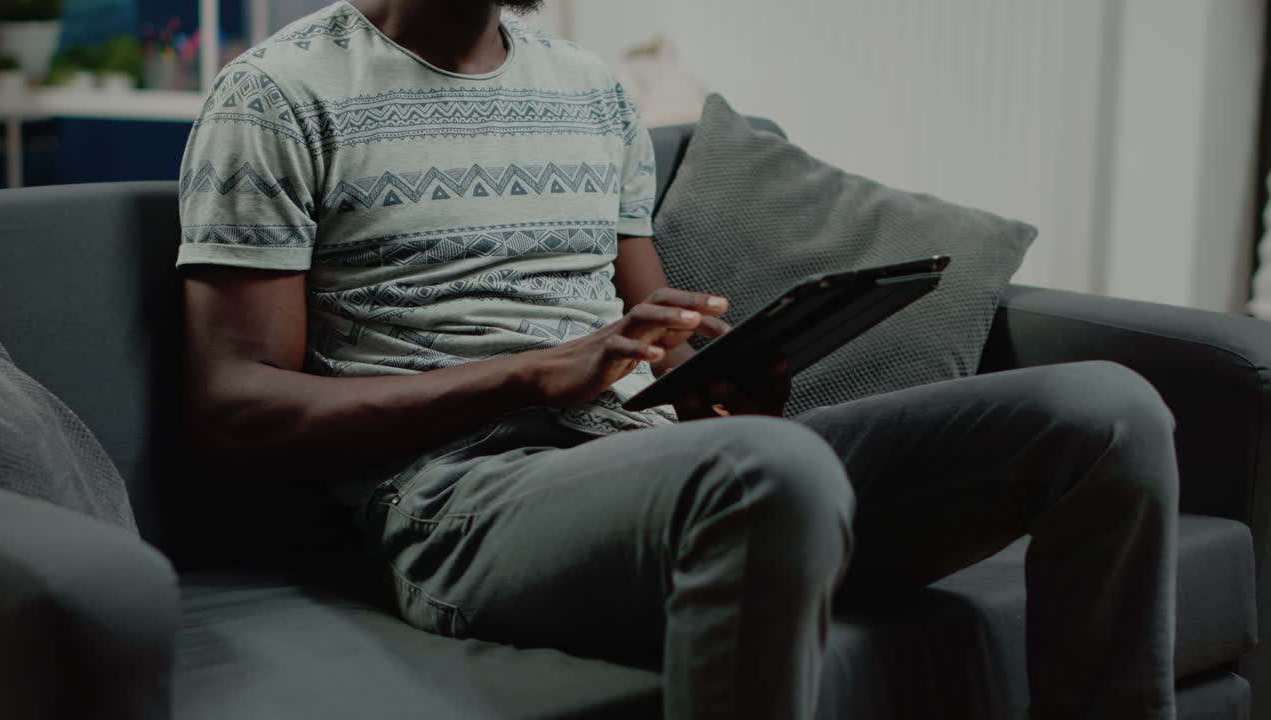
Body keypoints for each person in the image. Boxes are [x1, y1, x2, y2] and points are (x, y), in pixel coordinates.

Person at [176, 1, 1180, 718]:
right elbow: (235, 412)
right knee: (770, 472)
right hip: (459, 503)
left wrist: (718, 383)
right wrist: (532, 374)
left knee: (1104, 415)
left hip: (650, 470)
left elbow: (651, 335)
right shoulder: (277, 96)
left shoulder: (588, 90)